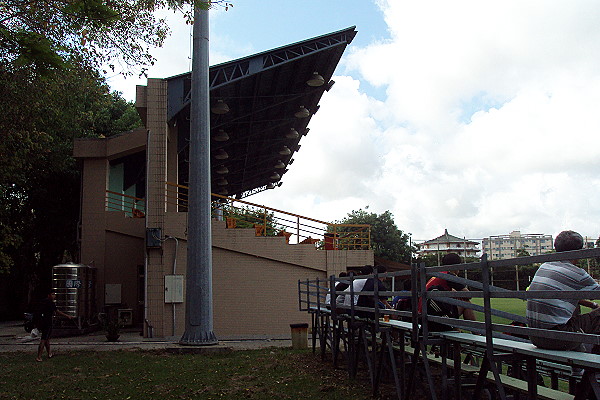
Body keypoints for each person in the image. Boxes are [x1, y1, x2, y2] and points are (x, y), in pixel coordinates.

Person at [526, 230, 600, 351]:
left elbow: (565, 297)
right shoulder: (577, 273)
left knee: (572, 308)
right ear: (579, 252)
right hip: (558, 338)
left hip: (535, 337)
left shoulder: (544, 266)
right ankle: (596, 364)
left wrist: (592, 305)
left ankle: (580, 369)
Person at [419, 252, 477, 331]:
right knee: (466, 303)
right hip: (433, 315)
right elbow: (468, 295)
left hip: (423, 313)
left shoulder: (438, 275)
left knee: (452, 307)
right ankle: (477, 332)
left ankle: (457, 337)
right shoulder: (449, 276)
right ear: (456, 266)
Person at [36, 290, 74, 362]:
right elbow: (57, 311)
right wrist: (67, 316)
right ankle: (39, 356)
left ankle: (49, 353)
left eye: (54, 294)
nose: (54, 296)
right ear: (49, 295)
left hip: (42, 321)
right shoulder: (50, 303)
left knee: (47, 338)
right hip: (47, 322)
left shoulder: (42, 301)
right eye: (52, 294)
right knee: (44, 339)